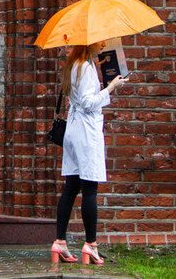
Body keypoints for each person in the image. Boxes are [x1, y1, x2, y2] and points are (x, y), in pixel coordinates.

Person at [52, 42, 126, 265]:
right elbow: (87, 102)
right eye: (100, 41)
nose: (103, 44)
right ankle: (91, 245)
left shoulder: (76, 65)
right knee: (90, 187)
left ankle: (60, 242)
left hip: (75, 132)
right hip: (86, 132)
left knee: (72, 186)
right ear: (89, 43)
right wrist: (111, 87)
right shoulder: (84, 67)